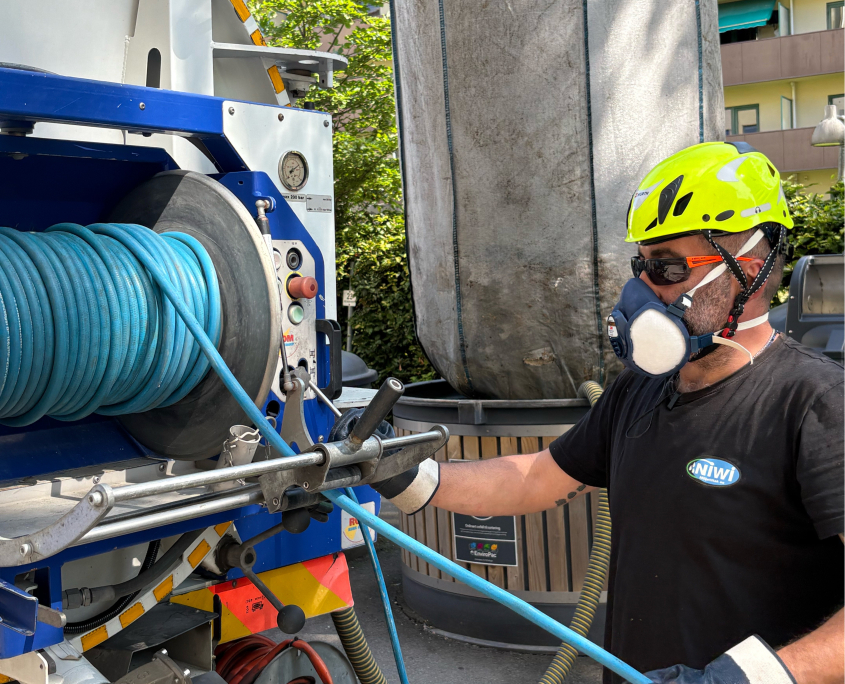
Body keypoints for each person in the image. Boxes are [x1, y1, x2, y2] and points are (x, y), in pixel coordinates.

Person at [335, 142, 844, 684]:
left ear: (747, 267)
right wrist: (406, 475)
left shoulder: (816, 402)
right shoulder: (640, 391)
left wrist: (746, 680)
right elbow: (535, 478)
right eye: (641, 267)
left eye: (669, 268)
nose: (642, 291)